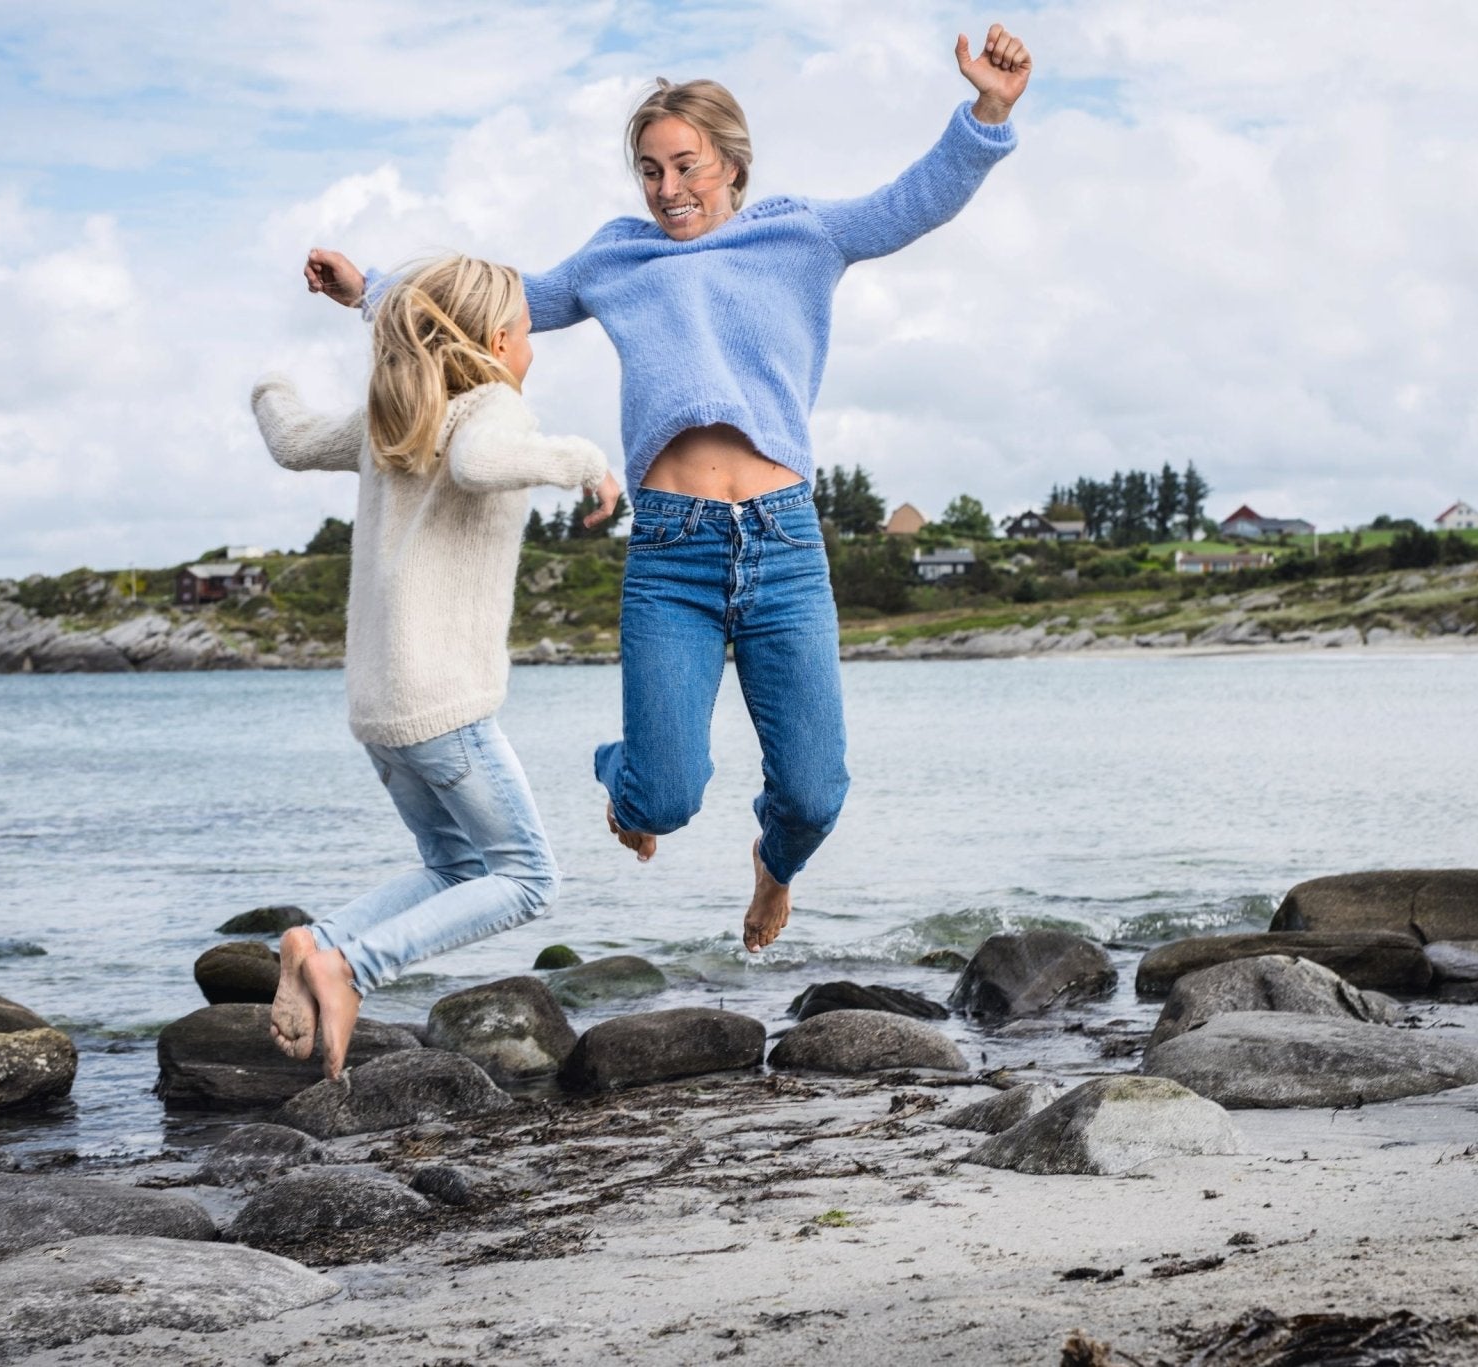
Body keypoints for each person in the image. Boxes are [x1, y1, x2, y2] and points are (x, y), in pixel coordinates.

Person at [304, 25, 1032, 953]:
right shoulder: (617, 258)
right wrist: (371, 288)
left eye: (685, 165)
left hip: (784, 546)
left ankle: (775, 871)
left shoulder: (801, 233)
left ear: (730, 162)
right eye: (649, 171)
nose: (668, 189)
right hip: (671, 554)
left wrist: (989, 111)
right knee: (662, 796)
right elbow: (495, 298)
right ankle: (628, 774)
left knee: (815, 792)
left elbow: (913, 201)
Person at [254, 254, 619, 1078]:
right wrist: (587, 462)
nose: (532, 348)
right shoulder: (490, 406)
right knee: (526, 879)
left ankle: (322, 942)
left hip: (382, 711)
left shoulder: (393, 416)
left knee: (455, 867)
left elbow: (290, 440)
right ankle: (351, 967)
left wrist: (269, 381)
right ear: (496, 340)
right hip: (446, 707)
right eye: (528, 333)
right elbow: (479, 463)